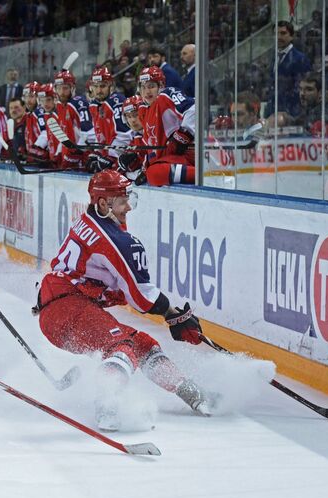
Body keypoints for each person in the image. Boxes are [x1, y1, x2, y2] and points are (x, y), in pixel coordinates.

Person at [36, 170, 211, 431]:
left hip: (58, 309)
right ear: (103, 204)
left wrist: (173, 316)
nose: (128, 206)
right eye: (121, 200)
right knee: (122, 346)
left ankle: (192, 393)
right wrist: (176, 317)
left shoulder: (89, 220)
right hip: (69, 308)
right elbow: (142, 297)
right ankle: (107, 404)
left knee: (142, 344)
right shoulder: (116, 240)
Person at [132, 66, 197, 186]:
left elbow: (195, 108)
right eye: (143, 87)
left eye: (151, 86)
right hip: (169, 160)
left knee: (155, 173)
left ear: (161, 86)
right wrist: (144, 168)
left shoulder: (167, 95)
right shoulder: (145, 112)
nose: (147, 92)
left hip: (188, 156)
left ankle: (204, 175)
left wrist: (183, 135)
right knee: (151, 173)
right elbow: (151, 150)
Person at [266, 21, 311, 118]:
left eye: (283, 33)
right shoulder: (274, 57)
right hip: (274, 110)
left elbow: (300, 87)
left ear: (292, 36)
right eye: (276, 34)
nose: (278, 37)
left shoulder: (300, 58)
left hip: (291, 112)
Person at [86, 67, 131, 160]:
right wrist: (97, 153)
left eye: (102, 86)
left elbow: (125, 134)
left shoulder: (117, 101)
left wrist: (111, 157)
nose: (98, 91)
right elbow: (99, 134)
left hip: (124, 157)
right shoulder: (93, 105)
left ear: (111, 86)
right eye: (95, 86)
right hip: (107, 155)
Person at [53, 70, 94, 167]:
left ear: (72, 88)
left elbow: (89, 132)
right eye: (59, 88)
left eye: (65, 88)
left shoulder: (79, 103)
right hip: (68, 156)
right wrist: (58, 152)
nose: (62, 92)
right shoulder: (60, 105)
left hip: (82, 159)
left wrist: (77, 151)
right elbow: (64, 133)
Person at [295, 72, 328, 137]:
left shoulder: (325, 114)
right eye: (300, 89)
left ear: (320, 93)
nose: (302, 93)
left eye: (309, 89)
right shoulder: (306, 112)